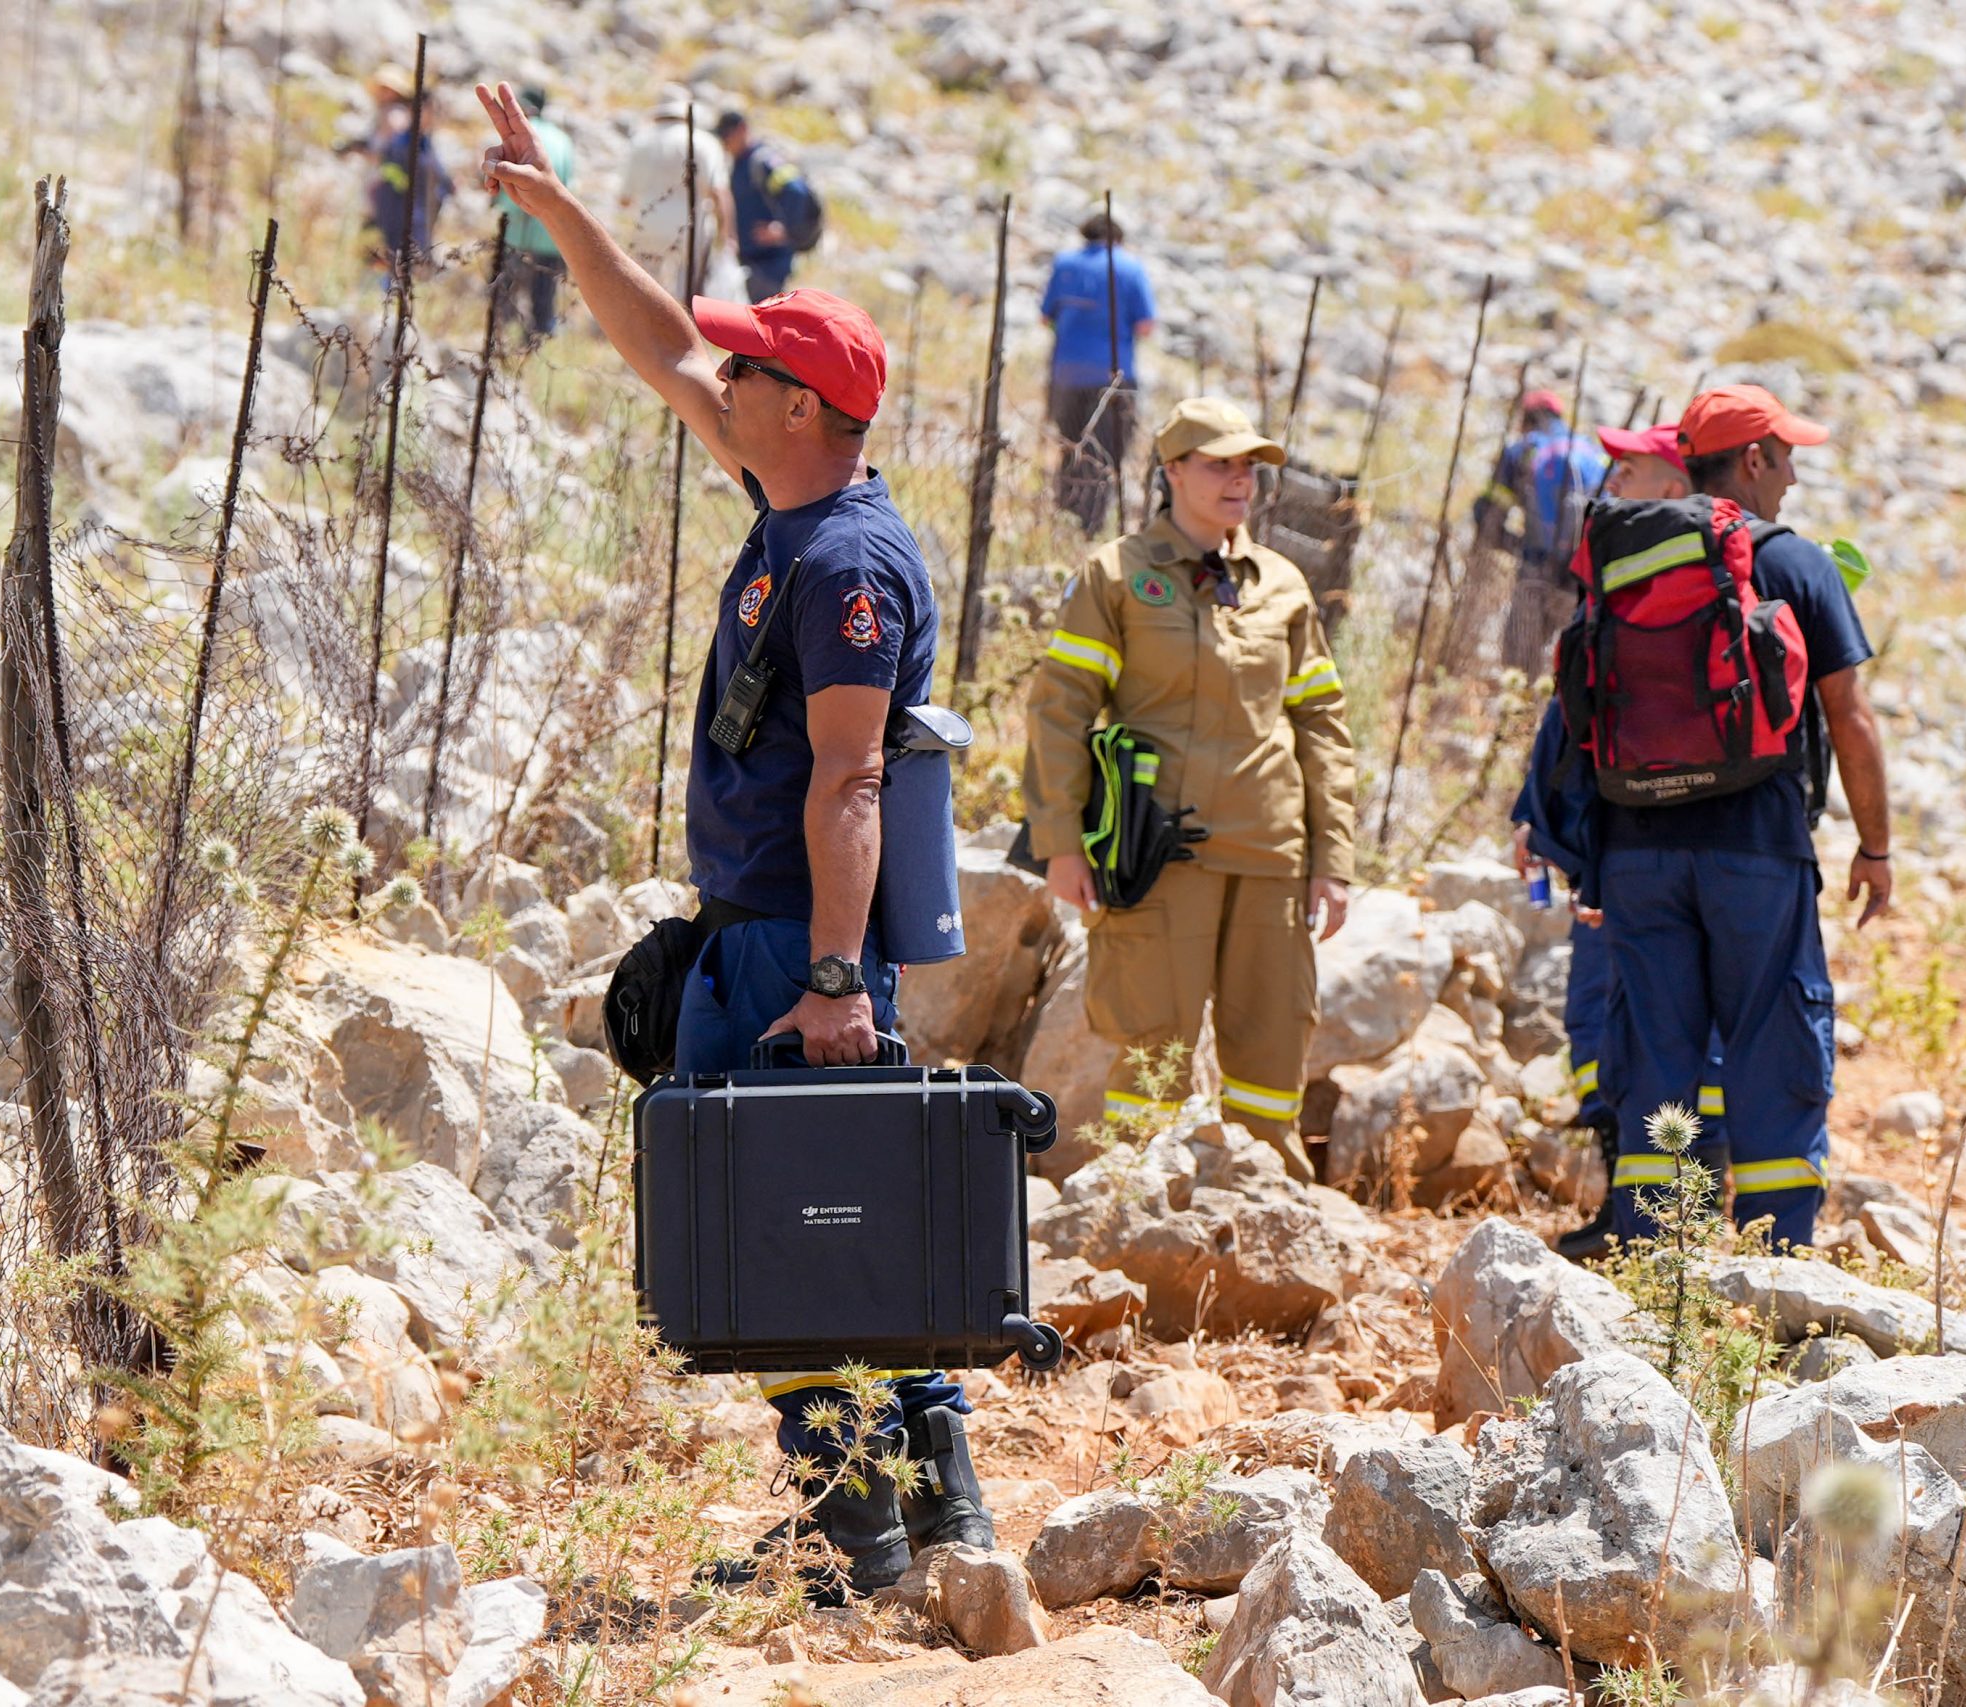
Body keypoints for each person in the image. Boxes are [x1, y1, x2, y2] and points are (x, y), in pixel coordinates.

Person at [477, 81, 990, 1603]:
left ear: (811, 409)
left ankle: (877, 1542)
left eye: (756, 365)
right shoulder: (787, 490)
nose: (727, 374)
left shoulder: (844, 564)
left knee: (807, 1230)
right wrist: (560, 213)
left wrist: (835, 977)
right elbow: (659, 343)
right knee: (830, 1221)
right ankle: (921, 1528)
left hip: (799, 936)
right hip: (767, 927)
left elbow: (849, 780)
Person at [1021, 398, 1356, 1183]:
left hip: (1272, 855)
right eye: (1220, 463)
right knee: (1155, 1050)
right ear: (1172, 471)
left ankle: (1267, 1208)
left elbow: (1322, 726)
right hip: (1158, 856)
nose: (1240, 478)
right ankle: (1136, 1210)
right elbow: (1061, 710)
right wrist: (1062, 842)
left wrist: (1331, 858)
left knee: (1272, 1051)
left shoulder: (1283, 585)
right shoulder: (1118, 575)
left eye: (1249, 465)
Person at [1593, 384, 1892, 1253]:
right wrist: (1876, 845)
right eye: (1788, 455)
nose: (1795, 475)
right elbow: (1851, 716)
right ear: (1753, 459)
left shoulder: (1628, 554)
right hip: (1755, 848)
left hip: (1639, 845)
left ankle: (1649, 1265)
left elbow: (1581, 701)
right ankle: (1777, 1266)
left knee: (1653, 1053)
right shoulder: (1796, 562)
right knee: (1773, 1047)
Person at [1509, 415, 1730, 1260]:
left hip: (1642, 863)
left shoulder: (1671, 605)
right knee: (1598, 1033)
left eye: (1628, 471)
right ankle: (1627, 1213)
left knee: (1660, 1034)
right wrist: (1538, 816)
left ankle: (1679, 1225)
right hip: (1603, 860)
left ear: (1674, 489)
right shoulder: (1613, 589)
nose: (1608, 484)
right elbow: (1570, 724)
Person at [1042, 212, 1157, 533]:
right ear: (1117, 238)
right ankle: (1090, 527)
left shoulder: (1065, 264)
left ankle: (1063, 520)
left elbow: (1045, 317)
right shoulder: (1129, 267)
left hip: (1067, 375)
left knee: (1071, 450)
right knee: (1105, 455)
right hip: (1113, 378)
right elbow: (1146, 325)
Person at [1487, 389, 1608, 670]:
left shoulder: (1523, 449)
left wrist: (1517, 546)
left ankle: (1517, 708)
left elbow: (1489, 517)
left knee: (1518, 663)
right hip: (1582, 576)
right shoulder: (1593, 452)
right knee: (1569, 666)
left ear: (1526, 419)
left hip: (1535, 568)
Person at [617, 85, 734, 297]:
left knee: (646, 287)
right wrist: (726, 235)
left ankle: (646, 325)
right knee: (689, 289)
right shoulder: (705, 143)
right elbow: (719, 192)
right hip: (691, 226)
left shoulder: (642, 142)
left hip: (649, 221)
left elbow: (625, 198)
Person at [352, 64, 454, 289]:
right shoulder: (403, 142)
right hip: (396, 212)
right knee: (390, 260)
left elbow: (436, 178)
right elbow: (393, 172)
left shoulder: (422, 142)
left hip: (415, 214)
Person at [492, 85, 574, 344]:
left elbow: (509, 186)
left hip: (517, 226)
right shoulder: (563, 139)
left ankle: (502, 338)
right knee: (543, 293)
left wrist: (502, 206)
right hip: (551, 229)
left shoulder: (522, 136)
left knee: (505, 291)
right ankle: (540, 339)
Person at [716, 110, 816, 300]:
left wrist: (785, 230)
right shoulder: (739, 163)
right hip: (750, 264)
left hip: (768, 268)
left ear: (742, 130)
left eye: (727, 135)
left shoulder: (762, 162)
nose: (725, 142)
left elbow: (796, 190)